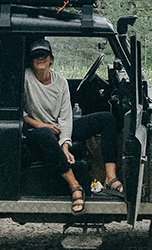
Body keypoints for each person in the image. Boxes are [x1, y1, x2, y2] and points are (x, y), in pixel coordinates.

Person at [21, 39, 123, 213]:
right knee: (45, 133)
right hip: (36, 131)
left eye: (43, 55)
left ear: (51, 60)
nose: (40, 59)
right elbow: (18, 110)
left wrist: (65, 144)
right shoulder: (25, 78)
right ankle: (75, 186)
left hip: (59, 128)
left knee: (107, 118)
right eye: (36, 56)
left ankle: (110, 177)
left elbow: (65, 116)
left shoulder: (60, 82)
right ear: (31, 60)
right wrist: (40, 124)